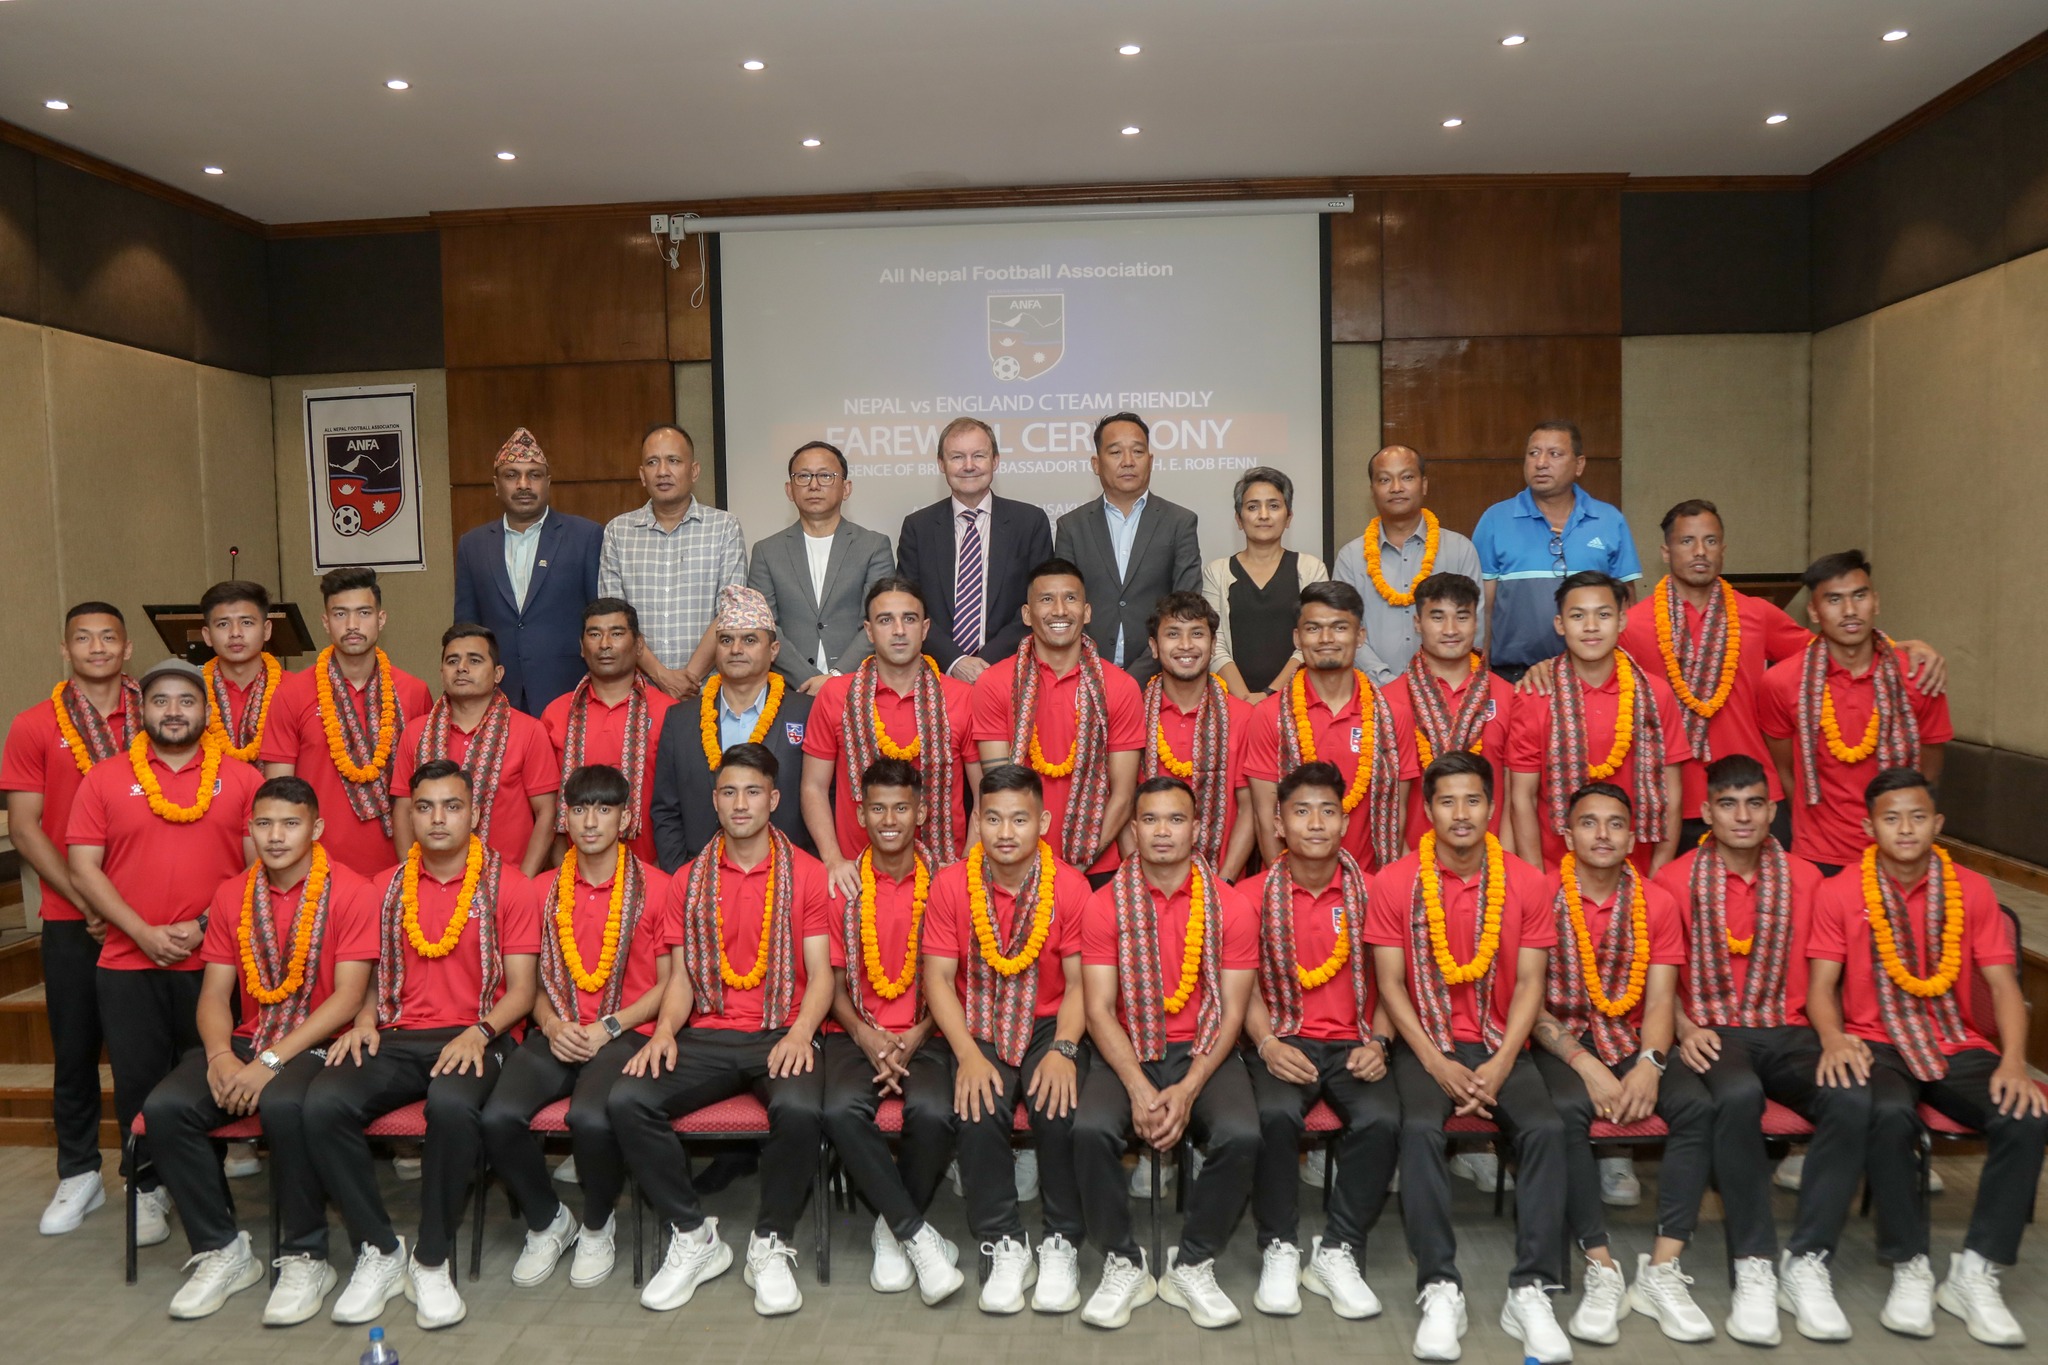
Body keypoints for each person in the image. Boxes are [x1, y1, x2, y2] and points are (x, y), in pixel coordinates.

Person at [1807, 768, 2046, 1345]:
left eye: (1917, 817)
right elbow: (1820, 987)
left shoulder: (1972, 889)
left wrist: (2014, 1062)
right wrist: (1834, 1038)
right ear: (1869, 827)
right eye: (1891, 818)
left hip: (1953, 1039)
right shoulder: (1839, 891)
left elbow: (2005, 987)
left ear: (1937, 824)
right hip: (1875, 1041)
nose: (1906, 829)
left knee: (2027, 1114)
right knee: (1886, 1113)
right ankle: (1910, 1263)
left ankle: (1976, 1271)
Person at [307, 760, 540, 1330]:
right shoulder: (382, 888)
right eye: (426, 807)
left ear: (474, 814)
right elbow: (364, 976)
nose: (438, 819)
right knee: (322, 1103)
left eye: (452, 806)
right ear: (409, 816)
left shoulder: (510, 884)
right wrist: (364, 1019)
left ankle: (432, 1258)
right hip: (396, 1034)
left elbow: (523, 991)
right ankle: (380, 1249)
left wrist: (478, 1032)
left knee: (452, 1105)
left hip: (479, 1034)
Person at [140, 777, 379, 1323]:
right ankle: (223, 1250)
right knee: (166, 1107)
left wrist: (269, 1063)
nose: (275, 836)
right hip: (253, 1034)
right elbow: (213, 995)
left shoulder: (352, 890)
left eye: (291, 824)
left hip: (321, 1039)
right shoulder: (232, 894)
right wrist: (221, 1056)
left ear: (316, 828)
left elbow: (347, 999)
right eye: (264, 824)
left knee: (284, 1103)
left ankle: (306, 1255)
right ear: (249, 828)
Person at [611, 742, 834, 1318]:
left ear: (774, 800)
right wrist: (664, 1032)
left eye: (753, 792)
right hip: (707, 1034)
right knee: (628, 1099)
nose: (740, 804)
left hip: (780, 1031)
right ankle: (693, 1236)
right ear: (714, 801)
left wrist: (800, 1034)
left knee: (801, 1109)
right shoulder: (687, 879)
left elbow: (820, 975)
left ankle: (769, 1242)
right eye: (729, 792)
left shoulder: (808, 874)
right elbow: (681, 978)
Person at [1362, 751, 1568, 1364]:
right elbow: (1390, 986)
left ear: (1491, 807)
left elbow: (1530, 985)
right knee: (1420, 1130)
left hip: (1502, 1045)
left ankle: (1531, 1289)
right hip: (1428, 1046)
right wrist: (1435, 1062)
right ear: (1427, 811)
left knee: (1545, 1129)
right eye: (1447, 801)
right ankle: (1439, 1285)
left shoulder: (1527, 882)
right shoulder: (1394, 882)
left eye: (1473, 800)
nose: (1460, 813)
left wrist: (1501, 1064)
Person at [1653, 754, 1858, 1346]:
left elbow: (1827, 977)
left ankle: (1809, 1260)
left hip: (1790, 1030)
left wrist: (1836, 1037)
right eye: (1728, 804)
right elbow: (1656, 982)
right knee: (1737, 1095)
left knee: (1852, 1095)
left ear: (1772, 811)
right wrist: (1685, 1027)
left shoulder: (1808, 879)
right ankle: (1754, 1263)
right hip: (1713, 1033)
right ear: (1706, 812)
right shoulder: (1673, 881)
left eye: (1754, 804)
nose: (1742, 816)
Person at [66, 658, 263, 1249]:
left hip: (216, 964)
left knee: (211, 1073)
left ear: (206, 711)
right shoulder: (104, 779)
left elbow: (260, 867)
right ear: (142, 711)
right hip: (128, 962)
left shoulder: (241, 778)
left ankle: (205, 1182)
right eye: (160, 701)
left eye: (186, 700)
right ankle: (147, 1185)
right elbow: (83, 868)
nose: (173, 711)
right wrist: (141, 932)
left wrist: (204, 926)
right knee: (137, 1081)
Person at [1620, 501, 1946, 848]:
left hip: (1757, 794)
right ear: (1665, 552)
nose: (1700, 551)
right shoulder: (1633, 624)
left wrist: (1900, 649)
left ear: (1723, 549)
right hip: (1671, 797)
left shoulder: (1758, 613)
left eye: (1710, 541)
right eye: (1687, 541)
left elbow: (1834, 648)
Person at [1529, 783, 1715, 1346]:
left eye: (1615, 824)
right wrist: (1585, 1064)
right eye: (1588, 822)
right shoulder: (1538, 895)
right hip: (1561, 1042)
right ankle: (1601, 1264)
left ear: (1633, 838)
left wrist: (1651, 1064)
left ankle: (1662, 1268)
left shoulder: (1657, 902)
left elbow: (1660, 1001)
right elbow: (1526, 1002)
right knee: (1564, 1112)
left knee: (1698, 1106)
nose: (1603, 834)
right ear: (1567, 835)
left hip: (1633, 1037)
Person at [1074, 776, 1260, 1329]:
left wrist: (1188, 1088)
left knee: (1242, 1133)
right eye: (1151, 820)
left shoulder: (1231, 905)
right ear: (1133, 830)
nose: (1162, 832)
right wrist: (1137, 1086)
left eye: (1176, 820)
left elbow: (1232, 1012)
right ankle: (1122, 1260)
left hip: (1203, 1047)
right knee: (1089, 1130)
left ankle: (1194, 1262)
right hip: (1126, 1046)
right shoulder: (1104, 904)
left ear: (1197, 829)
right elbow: (1098, 1009)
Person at [480, 763, 672, 1292]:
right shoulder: (539, 890)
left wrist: (611, 1025)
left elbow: (670, 984)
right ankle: (548, 1221)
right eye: (580, 809)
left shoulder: (658, 888)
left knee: (590, 1117)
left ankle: (596, 1224)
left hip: (625, 1033)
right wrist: (550, 1023)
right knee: (497, 1116)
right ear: (564, 818)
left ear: (625, 819)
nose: (591, 822)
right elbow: (527, 982)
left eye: (604, 809)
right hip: (557, 1030)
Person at [920, 764, 1094, 1315]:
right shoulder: (952, 883)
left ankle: (1061, 1241)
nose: (1005, 832)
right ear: (977, 821)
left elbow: (1081, 984)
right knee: (977, 1104)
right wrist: (967, 1054)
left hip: (1050, 1022)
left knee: (1058, 1104)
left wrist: (1065, 1050)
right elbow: (938, 979)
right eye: (993, 818)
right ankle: (1003, 1242)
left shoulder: (1071, 886)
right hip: (979, 1019)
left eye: (1020, 819)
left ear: (1043, 822)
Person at [1241, 761, 1396, 1321]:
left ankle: (1338, 1250)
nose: (1314, 823)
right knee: (1273, 1116)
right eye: (1301, 812)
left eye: (1327, 811)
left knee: (1382, 1119)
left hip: (1356, 1043)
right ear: (1278, 824)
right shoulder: (1250, 895)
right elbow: (1241, 987)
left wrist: (1380, 1043)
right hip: (1284, 1039)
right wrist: (1266, 1044)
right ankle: (1279, 1246)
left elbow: (1396, 984)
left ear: (1345, 821)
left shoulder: (1377, 892)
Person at [2, 601, 138, 1235]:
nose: (97, 647)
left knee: (148, 1054)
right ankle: (79, 1172)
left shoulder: (158, 713)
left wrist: (127, 911)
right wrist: (89, 902)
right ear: (65, 650)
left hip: (148, 919)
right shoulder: (34, 725)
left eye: (109, 637)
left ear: (127, 648)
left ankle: (150, 1173)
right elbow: (24, 828)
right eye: (83, 638)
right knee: (76, 1049)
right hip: (69, 915)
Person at [819, 759, 965, 1305]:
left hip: (930, 1032)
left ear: (921, 813)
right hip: (854, 1031)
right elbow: (831, 984)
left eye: (901, 807)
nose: (888, 819)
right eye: (877, 808)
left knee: (935, 1111)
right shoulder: (841, 886)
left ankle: (889, 1229)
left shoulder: (950, 884)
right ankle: (918, 1236)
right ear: (860, 814)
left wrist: (918, 1034)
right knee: (839, 1111)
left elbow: (956, 982)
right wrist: (866, 1036)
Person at [1759, 551, 1952, 875]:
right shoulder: (1781, 682)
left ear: (1875, 602)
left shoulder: (1919, 676)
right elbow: (1786, 772)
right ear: (1814, 611)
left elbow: (1928, 774)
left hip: (1898, 851)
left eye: (1859, 596)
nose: (1849, 610)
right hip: (1817, 853)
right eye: (1834, 599)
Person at [801, 576, 980, 897]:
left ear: (925, 629)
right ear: (869, 631)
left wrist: (967, 864)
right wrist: (833, 860)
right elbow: (813, 787)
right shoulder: (836, 696)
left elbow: (986, 793)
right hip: (856, 879)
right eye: (885, 620)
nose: (899, 630)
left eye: (909, 619)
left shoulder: (961, 697)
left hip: (942, 877)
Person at [970, 558, 1144, 884]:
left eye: (1071, 598)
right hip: (1016, 866)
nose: (1060, 610)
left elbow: (1122, 795)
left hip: (1096, 867)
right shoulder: (993, 684)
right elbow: (999, 789)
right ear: (1027, 614)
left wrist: (1079, 866)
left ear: (1087, 612)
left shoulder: (1121, 687)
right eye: (1047, 599)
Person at [1507, 572, 1688, 875]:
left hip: (1638, 870)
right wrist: (1536, 877)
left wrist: (1660, 869)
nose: (1591, 626)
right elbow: (1522, 797)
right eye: (1578, 616)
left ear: (1621, 620)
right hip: (1556, 872)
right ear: (1560, 624)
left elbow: (1672, 792)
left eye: (1603, 615)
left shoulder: (1655, 694)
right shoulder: (1535, 695)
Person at [260, 567, 434, 876]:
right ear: (326, 622)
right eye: (340, 614)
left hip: (399, 867)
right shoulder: (291, 694)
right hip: (316, 868)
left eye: (363, 613)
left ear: (381, 619)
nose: (352, 625)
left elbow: (429, 788)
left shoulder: (413, 692)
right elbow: (279, 795)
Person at [1245, 581, 1419, 874]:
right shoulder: (1268, 714)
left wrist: (1380, 888)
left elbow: (1397, 814)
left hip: (1371, 885)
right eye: (1313, 628)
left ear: (1360, 635)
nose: (1326, 638)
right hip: (1291, 887)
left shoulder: (1393, 716)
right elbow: (1265, 817)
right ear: (1297, 638)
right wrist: (1287, 889)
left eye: (1340, 627)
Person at [648, 585, 814, 868]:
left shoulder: (805, 714)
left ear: (774, 650)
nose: (736, 649)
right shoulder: (680, 720)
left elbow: (826, 798)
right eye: (726, 640)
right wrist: (681, 876)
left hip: (790, 874)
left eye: (749, 640)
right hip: (700, 877)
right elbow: (666, 809)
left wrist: (807, 873)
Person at [452, 427, 605, 714]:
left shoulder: (585, 536)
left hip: (568, 690)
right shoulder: (472, 545)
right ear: (496, 485)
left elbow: (599, 618)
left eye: (534, 475)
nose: (523, 484)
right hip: (498, 694)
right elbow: (466, 628)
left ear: (548, 482)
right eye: (511, 475)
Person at [1474, 422, 1642, 681]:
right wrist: (1482, 674)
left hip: (1592, 675)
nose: (1541, 463)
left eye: (1554, 454)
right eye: (1533, 453)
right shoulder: (1495, 519)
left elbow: (1627, 606)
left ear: (1579, 465)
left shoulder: (1610, 520)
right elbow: (1483, 608)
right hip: (1513, 676)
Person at [390, 624, 559, 876]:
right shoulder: (416, 732)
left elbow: (546, 813)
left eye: (475, 660)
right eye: (452, 661)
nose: (461, 668)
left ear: (498, 673)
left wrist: (523, 883)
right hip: (430, 882)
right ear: (442, 672)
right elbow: (403, 811)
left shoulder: (529, 731)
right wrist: (412, 878)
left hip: (505, 881)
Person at [894, 416, 1053, 682]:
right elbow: (909, 605)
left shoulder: (1029, 522)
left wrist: (985, 665)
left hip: (1010, 673)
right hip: (936, 674)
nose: (969, 466)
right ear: (941, 464)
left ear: (995, 461)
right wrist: (955, 661)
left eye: (978, 455)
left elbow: (1039, 601)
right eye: (957, 457)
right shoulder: (918, 527)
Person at [599, 422, 747, 701]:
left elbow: (730, 612)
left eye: (674, 461)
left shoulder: (724, 527)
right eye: (652, 462)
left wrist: (689, 679)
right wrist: (662, 677)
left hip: (707, 691)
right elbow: (615, 619)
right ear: (642, 475)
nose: (663, 471)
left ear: (694, 471)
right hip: (639, 691)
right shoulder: (618, 532)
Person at [1052, 412, 1203, 683]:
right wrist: (1098, 672)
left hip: (1159, 677)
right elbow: (1065, 605)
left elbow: (1185, 606)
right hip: (1087, 676)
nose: (1128, 461)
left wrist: (1134, 677)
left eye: (1138, 451)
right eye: (1115, 452)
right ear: (1096, 464)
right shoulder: (1071, 526)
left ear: (1151, 461)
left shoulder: (1179, 522)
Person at [748, 440, 895, 694]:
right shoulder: (766, 551)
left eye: (825, 476)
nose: (814, 485)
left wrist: (835, 678)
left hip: (858, 687)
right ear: (789, 490)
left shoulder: (874, 546)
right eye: (803, 476)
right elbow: (765, 626)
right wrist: (808, 680)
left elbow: (879, 620)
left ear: (846, 488)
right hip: (791, 690)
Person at [1383, 572, 1515, 846]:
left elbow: (1516, 796)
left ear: (1476, 622)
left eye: (1462, 617)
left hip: (1492, 857)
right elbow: (1389, 801)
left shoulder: (1508, 697)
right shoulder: (1387, 701)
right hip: (1415, 858)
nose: (1451, 629)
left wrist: (1507, 861)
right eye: (1438, 617)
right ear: (1417, 623)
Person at [541, 598, 674, 868]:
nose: (604, 644)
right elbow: (547, 805)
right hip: (572, 871)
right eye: (594, 634)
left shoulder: (669, 712)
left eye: (616, 633)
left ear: (639, 645)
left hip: (652, 868)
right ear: (582, 647)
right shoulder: (556, 714)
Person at [1333, 445, 1484, 680]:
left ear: (1424, 485)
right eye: (1385, 479)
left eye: (1407, 477)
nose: (1396, 488)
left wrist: (1439, 683)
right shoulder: (1350, 557)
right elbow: (1344, 627)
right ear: (1372, 490)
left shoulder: (1460, 549)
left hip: (1445, 688)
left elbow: (1475, 622)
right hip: (1372, 690)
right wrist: (1385, 682)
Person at [1139, 591, 1255, 879]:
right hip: (1143, 884)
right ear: (1154, 646)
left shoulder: (1242, 717)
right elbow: (1122, 804)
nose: (1186, 645)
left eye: (1197, 633)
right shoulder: (1134, 714)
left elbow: (1250, 809)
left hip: (1223, 883)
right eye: (1173, 634)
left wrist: (1224, 883)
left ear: (1213, 645)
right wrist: (1138, 879)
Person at [1201, 466, 1330, 701]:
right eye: (1252, 507)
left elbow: (1314, 638)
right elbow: (1214, 644)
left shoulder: (1311, 569)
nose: (1263, 515)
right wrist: (1246, 700)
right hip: (1233, 702)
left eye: (1273, 506)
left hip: (1297, 699)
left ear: (1288, 517)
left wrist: (1270, 695)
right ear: (1239, 519)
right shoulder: (1216, 572)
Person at [198, 579, 284, 762]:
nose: (235, 633)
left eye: (246, 622)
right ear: (207, 635)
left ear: (267, 630)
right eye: (223, 624)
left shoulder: (293, 690)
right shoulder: (191, 695)